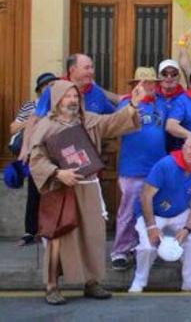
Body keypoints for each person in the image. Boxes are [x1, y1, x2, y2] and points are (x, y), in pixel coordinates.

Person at [28, 79, 143, 305]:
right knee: (58, 238)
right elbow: (36, 160)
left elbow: (113, 122)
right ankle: (52, 286)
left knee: (93, 234)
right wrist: (58, 173)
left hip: (88, 187)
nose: (73, 100)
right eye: (67, 96)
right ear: (57, 100)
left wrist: (133, 105)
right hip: (60, 188)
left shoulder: (88, 120)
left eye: (75, 96)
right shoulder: (45, 126)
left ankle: (91, 282)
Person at [129, 135, 191, 294]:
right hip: (154, 213)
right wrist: (151, 226)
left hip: (179, 212)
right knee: (147, 246)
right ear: (183, 147)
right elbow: (146, 195)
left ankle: (190, 281)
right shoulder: (166, 164)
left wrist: (187, 228)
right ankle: (139, 280)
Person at [110, 68, 169, 271]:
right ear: (136, 84)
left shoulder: (161, 104)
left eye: (152, 82)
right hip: (132, 168)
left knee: (154, 211)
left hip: (157, 168)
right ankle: (121, 251)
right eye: (144, 82)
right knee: (128, 211)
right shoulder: (126, 105)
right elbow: (115, 128)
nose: (149, 86)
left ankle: (145, 248)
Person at [10, 72, 57, 246]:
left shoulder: (61, 104)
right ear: (40, 90)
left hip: (54, 155)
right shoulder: (31, 106)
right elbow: (13, 128)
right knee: (34, 193)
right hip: (34, 156)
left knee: (53, 194)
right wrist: (33, 119)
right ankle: (30, 231)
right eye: (47, 86)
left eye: (54, 85)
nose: (51, 88)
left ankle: (50, 230)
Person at [34, 53, 117, 117]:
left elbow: (113, 116)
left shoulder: (97, 93)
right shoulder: (53, 89)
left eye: (92, 67)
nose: (91, 72)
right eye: (87, 68)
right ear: (72, 70)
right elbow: (38, 118)